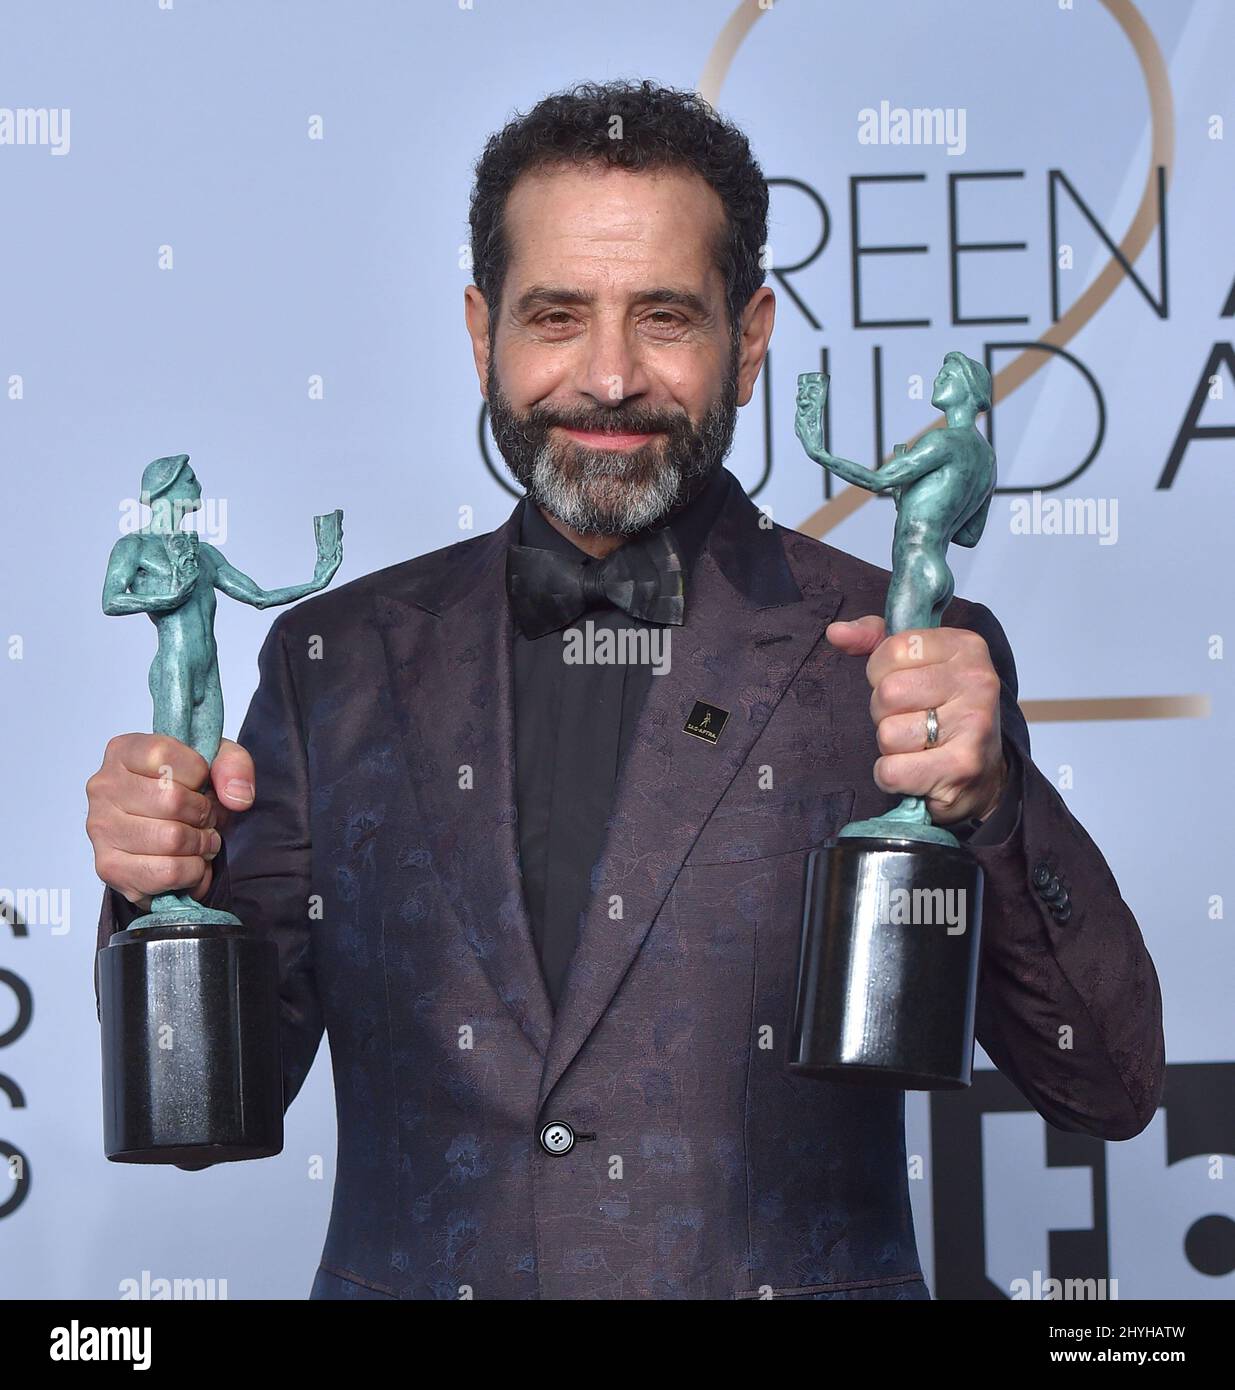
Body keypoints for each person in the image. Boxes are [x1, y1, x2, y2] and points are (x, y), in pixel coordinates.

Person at [86, 79, 1163, 1301]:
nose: (607, 378)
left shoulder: (901, 651)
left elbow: (1107, 1086)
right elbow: (211, 1112)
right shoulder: (332, 658)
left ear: (747, 339)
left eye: (662, 318)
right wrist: (156, 886)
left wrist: (993, 807)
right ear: (480, 332)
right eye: (555, 316)